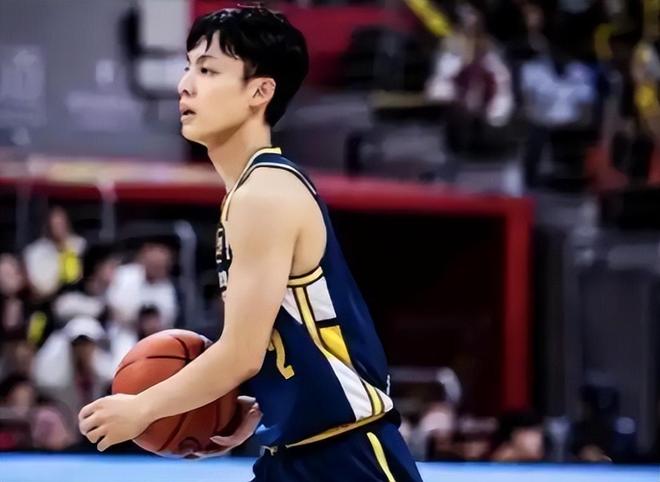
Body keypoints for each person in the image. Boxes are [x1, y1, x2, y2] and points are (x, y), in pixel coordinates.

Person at [78, 7, 423, 482]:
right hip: (298, 450)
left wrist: (143, 408)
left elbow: (240, 353)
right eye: (187, 67)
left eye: (207, 70)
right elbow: (288, 334)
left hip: (347, 457)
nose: (185, 85)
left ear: (260, 91)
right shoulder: (250, 191)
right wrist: (266, 405)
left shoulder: (263, 194)